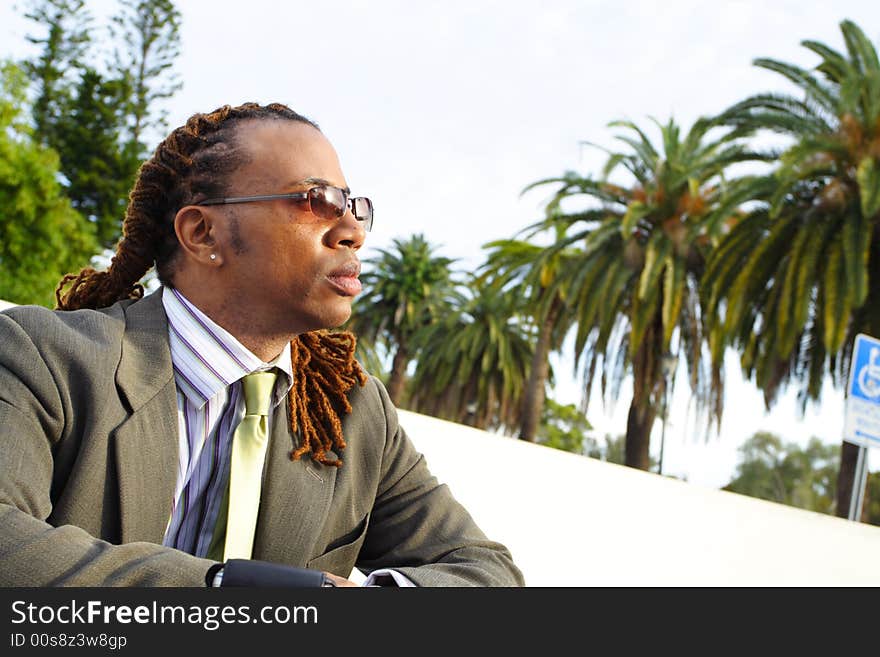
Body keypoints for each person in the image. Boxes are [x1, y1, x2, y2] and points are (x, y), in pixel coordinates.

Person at [0, 102, 523, 587]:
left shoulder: (357, 416)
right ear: (203, 233)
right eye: (316, 200)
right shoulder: (42, 356)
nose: (352, 231)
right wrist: (243, 597)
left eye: (355, 208)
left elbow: (487, 572)